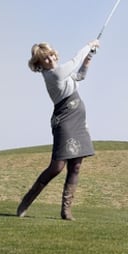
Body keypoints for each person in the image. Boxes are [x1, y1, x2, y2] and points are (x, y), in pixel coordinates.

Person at [17, 39, 100, 220]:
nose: (50, 59)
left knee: (76, 166)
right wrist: (88, 45)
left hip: (79, 120)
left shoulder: (62, 73)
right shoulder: (53, 74)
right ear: (39, 65)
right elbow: (74, 61)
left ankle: (66, 211)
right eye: (45, 59)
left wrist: (89, 59)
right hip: (64, 120)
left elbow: (79, 77)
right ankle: (26, 201)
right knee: (57, 167)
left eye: (51, 55)